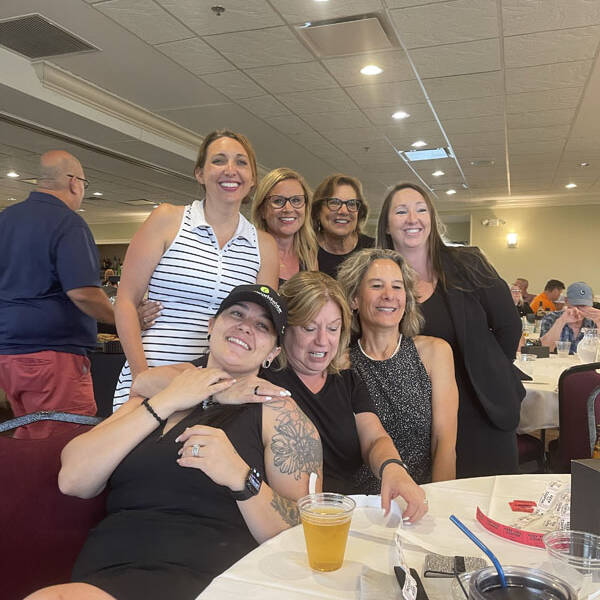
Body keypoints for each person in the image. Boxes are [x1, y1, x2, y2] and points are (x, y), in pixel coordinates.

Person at [27, 285, 320, 600]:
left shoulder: (277, 409)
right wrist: (168, 400)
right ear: (211, 327)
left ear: (273, 353)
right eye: (236, 313)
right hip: (107, 574)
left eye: (263, 326)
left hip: (208, 581)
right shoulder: (156, 394)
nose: (246, 326)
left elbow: (305, 536)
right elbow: (73, 480)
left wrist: (242, 478)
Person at [133, 274, 428, 521]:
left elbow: (374, 438)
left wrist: (393, 468)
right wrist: (226, 386)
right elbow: (147, 381)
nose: (323, 341)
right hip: (275, 518)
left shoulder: (348, 381)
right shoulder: (259, 372)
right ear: (283, 334)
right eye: (309, 328)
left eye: (333, 329)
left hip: (342, 514)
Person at [112, 130, 279, 410]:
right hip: (152, 375)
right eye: (218, 160)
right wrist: (141, 376)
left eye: (240, 162)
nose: (230, 170)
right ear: (200, 173)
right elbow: (126, 301)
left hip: (218, 390)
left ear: (252, 179)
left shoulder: (264, 245)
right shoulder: (167, 219)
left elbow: (263, 325)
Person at [376, 182, 524, 478]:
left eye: (420, 210)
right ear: (388, 226)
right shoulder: (380, 280)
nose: (412, 219)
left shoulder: (468, 263)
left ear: (431, 218)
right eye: (401, 211)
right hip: (417, 419)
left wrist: (488, 368)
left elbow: (509, 325)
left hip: (481, 406)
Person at [0, 150, 114, 439]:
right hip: (53, 356)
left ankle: (24, 485)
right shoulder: (68, 222)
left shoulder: (6, 219)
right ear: (75, 182)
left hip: (10, 353)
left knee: (27, 429)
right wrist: (124, 319)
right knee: (66, 440)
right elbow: (84, 293)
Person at [337, 248, 458, 485]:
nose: (388, 295)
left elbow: (444, 444)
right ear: (354, 299)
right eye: (376, 286)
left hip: (421, 500)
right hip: (361, 504)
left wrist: (440, 504)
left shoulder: (434, 352)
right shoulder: (341, 362)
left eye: (396, 286)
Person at [251, 167, 318, 286]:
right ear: (262, 210)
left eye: (296, 200)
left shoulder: (309, 258)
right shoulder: (250, 253)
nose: (288, 209)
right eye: (278, 201)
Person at [311, 174, 375, 279]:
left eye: (351, 204)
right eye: (334, 203)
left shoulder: (374, 249)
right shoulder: (304, 251)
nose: (344, 211)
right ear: (318, 211)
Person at [540, 282, 600, 354]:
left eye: (584, 305)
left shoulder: (591, 322)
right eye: (576, 305)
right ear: (566, 301)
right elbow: (544, 348)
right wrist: (562, 321)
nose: (579, 309)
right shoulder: (551, 318)